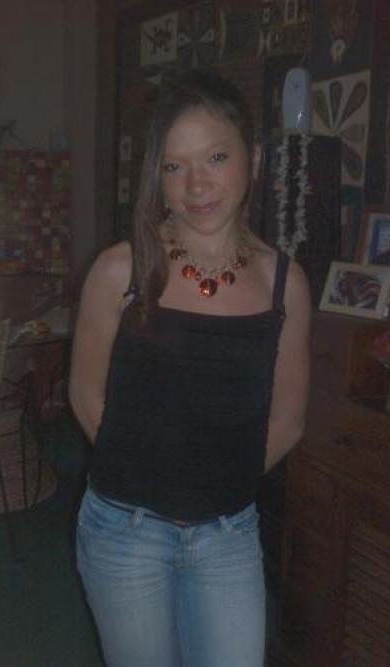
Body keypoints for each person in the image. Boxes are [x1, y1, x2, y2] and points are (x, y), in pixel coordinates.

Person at [69, 69, 310, 667]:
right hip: (125, 533)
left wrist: (213, 483)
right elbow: (87, 395)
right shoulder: (119, 271)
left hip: (228, 536)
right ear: (157, 175)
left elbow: (287, 421)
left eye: (216, 157)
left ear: (253, 158)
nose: (196, 184)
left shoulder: (285, 284)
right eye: (174, 166)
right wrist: (155, 481)